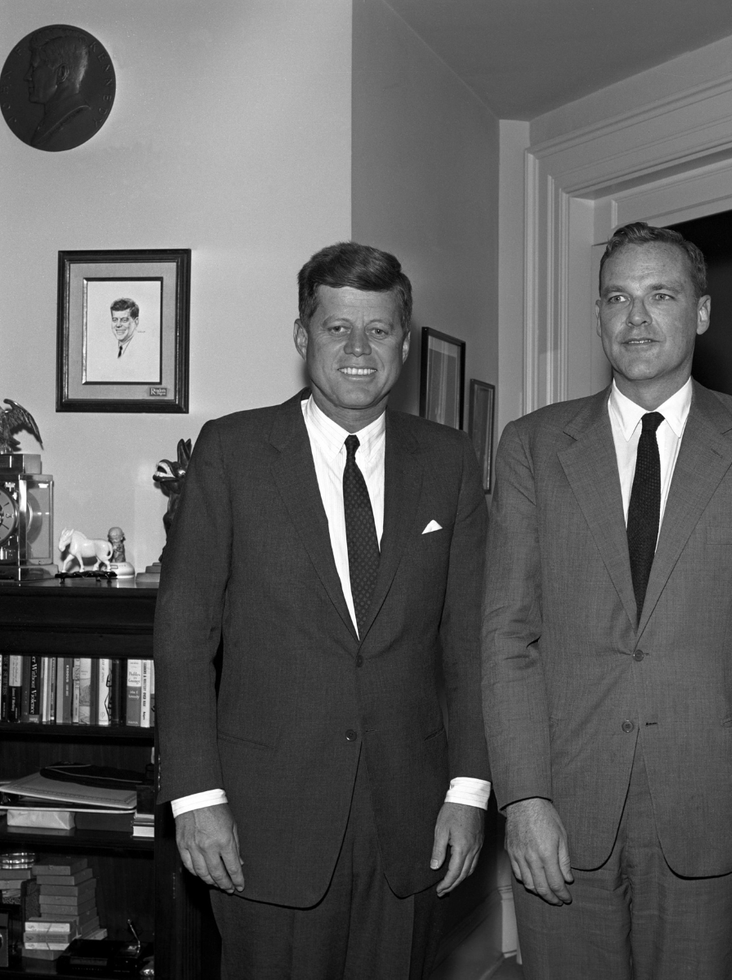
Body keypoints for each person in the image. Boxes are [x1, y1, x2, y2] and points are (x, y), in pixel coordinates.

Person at [482, 222, 732, 980]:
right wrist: (523, 797)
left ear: (701, 312)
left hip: (715, 805)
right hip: (564, 805)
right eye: (617, 298)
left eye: (660, 295)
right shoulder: (532, 448)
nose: (636, 317)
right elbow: (507, 636)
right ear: (600, 315)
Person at [154, 242, 491, 980]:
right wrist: (195, 797)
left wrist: (469, 792)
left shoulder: (451, 461)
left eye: (378, 329)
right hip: (263, 823)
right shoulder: (232, 453)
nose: (359, 349)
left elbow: (469, 643)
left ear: (403, 340)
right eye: (338, 328)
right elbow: (183, 637)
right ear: (303, 336)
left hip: (409, 823)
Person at [25, 26, 92, 150]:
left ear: (61, 73)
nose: (27, 76)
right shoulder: (56, 118)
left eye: (34, 68)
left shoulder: (78, 124)